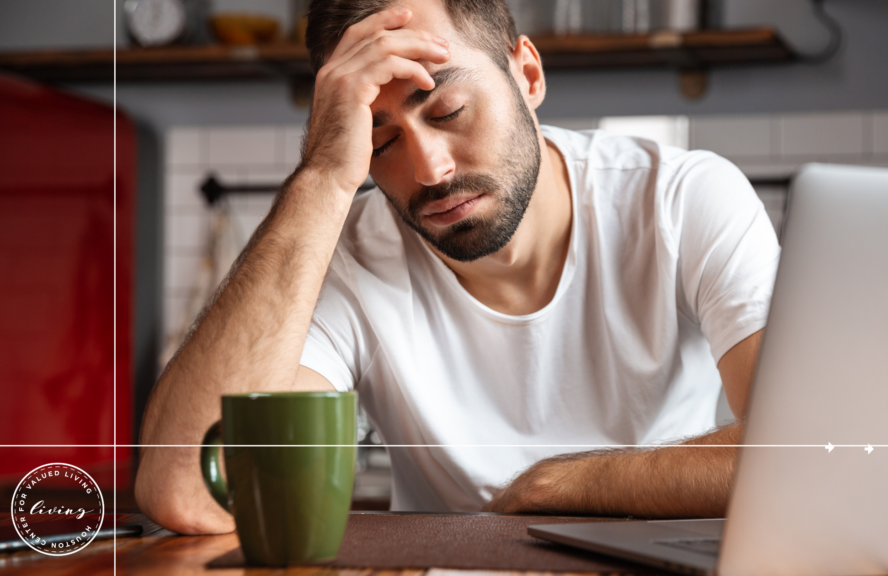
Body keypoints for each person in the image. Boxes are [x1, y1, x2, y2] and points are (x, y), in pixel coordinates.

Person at [135, 0, 779, 535]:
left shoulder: (682, 198)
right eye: (379, 142)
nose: (430, 171)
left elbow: (808, 448)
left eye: (448, 112)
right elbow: (187, 491)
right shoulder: (344, 253)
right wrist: (323, 176)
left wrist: (559, 484)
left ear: (527, 77)